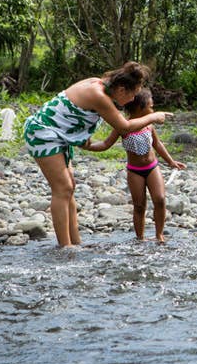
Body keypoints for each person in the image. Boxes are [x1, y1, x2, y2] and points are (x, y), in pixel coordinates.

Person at [23, 62, 171, 247]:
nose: (132, 100)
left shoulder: (100, 85)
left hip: (60, 136)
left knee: (70, 187)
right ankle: (65, 247)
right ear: (122, 89)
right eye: (132, 95)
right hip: (43, 133)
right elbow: (123, 126)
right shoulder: (98, 94)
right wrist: (154, 116)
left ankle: (75, 242)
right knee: (63, 189)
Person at [84, 89, 186, 242]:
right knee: (139, 206)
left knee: (160, 199)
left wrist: (171, 161)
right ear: (140, 107)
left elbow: (157, 144)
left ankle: (159, 235)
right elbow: (105, 144)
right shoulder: (123, 126)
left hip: (152, 167)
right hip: (135, 171)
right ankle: (140, 238)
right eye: (150, 106)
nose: (153, 109)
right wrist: (88, 146)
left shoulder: (149, 125)